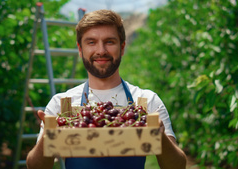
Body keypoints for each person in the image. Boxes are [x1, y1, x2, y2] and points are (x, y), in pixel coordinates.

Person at [26, 9, 187, 169]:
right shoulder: (62, 104)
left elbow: (177, 166)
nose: (101, 50)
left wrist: (161, 138)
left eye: (109, 42)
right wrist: (47, 138)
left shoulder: (146, 101)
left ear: (122, 47)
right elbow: (35, 167)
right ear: (80, 49)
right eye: (91, 42)